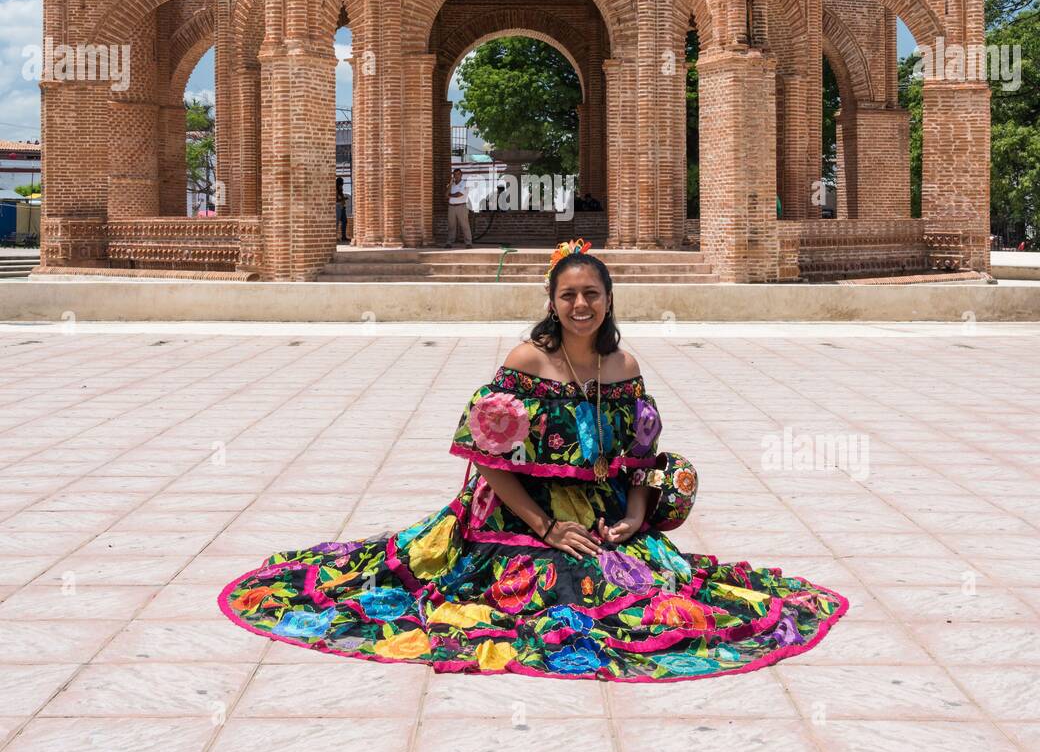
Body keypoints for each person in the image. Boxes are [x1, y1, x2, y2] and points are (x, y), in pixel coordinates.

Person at [218, 238, 849, 682]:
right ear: (552, 301)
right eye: (568, 295)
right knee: (536, 596)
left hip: (599, 512)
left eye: (592, 294)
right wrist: (543, 525)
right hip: (515, 515)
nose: (581, 305)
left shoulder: (623, 366)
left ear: (609, 300)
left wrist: (633, 516)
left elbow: (638, 456)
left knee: (652, 593)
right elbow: (486, 452)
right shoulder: (526, 361)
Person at [445, 167, 473, 248]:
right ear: (453, 175)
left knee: (465, 225)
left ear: (461, 175)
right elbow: (446, 195)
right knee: (451, 225)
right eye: (455, 174)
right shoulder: (452, 184)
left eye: (458, 174)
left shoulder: (465, 184)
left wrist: (450, 195)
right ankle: (449, 242)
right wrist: (450, 184)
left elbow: (459, 194)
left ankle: (468, 243)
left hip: (461, 206)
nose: (457, 176)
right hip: (451, 207)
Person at [335, 175, 347, 243]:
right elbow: (336, 199)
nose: (343, 184)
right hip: (338, 207)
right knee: (336, 223)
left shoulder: (340, 189)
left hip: (342, 207)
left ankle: (344, 236)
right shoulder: (336, 189)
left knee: (345, 221)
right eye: (342, 182)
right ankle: (335, 237)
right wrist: (343, 198)